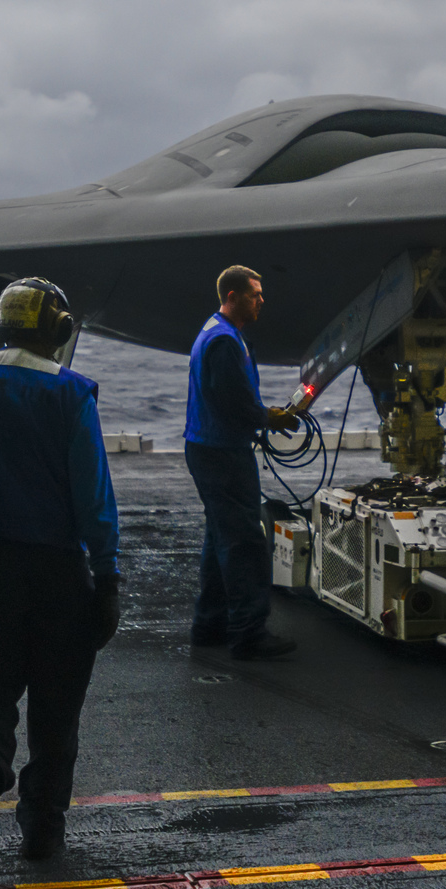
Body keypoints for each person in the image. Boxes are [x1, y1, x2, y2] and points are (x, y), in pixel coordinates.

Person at [0, 278, 120, 867]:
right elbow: (93, 495)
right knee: (58, 704)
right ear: (58, 331)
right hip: (57, 566)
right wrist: (106, 578)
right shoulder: (72, 393)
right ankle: (42, 829)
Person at [183, 265, 299, 661]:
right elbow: (231, 401)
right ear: (232, 297)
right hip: (222, 453)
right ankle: (249, 633)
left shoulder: (216, 332)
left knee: (220, 537)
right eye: (254, 294)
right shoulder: (225, 343)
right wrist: (270, 417)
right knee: (246, 540)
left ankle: (210, 625)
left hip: (209, 447)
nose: (261, 300)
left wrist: (261, 417)